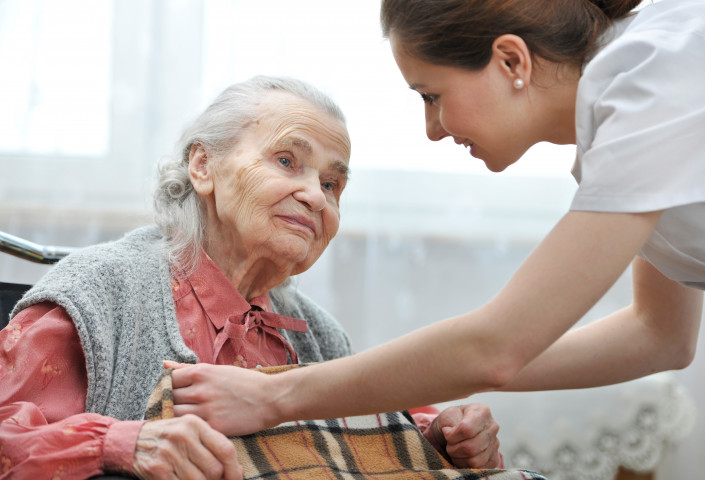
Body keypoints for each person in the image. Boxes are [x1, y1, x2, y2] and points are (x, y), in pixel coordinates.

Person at [168, 0, 705, 439]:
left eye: (431, 95)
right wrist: (407, 392)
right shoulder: (623, 131)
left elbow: (496, 347)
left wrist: (275, 396)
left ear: (511, 60)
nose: (432, 129)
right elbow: (657, 336)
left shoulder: (656, 74)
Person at [0, 75, 503, 480]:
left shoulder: (320, 335)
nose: (316, 196)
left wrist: (438, 438)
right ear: (203, 165)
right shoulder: (99, 292)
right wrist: (121, 443)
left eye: (332, 184)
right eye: (287, 161)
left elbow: (351, 446)